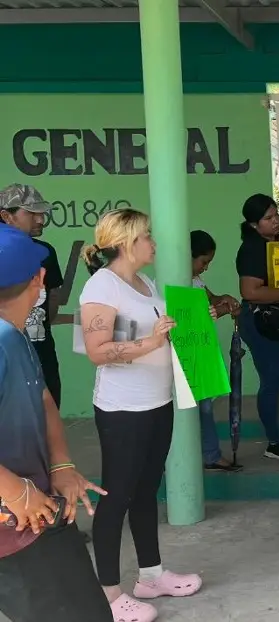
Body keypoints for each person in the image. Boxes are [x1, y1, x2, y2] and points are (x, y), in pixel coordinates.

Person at [79, 209, 203, 621]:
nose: (153, 242)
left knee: (147, 492)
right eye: (147, 236)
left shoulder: (144, 283)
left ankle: (150, 576)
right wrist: (151, 343)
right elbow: (98, 351)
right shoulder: (102, 286)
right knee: (117, 497)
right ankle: (110, 595)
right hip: (123, 410)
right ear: (128, 242)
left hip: (157, 402)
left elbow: (152, 333)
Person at [0, 224, 111, 622]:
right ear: (39, 278)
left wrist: (62, 463)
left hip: (37, 510)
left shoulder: (16, 336)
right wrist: (15, 492)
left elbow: (43, 398)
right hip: (15, 528)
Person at [235, 193, 279, 460]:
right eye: (268, 218)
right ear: (253, 224)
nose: (276, 221)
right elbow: (250, 292)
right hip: (260, 322)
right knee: (272, 378)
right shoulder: (251, 249)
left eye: (277, 215)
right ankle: (274, 442)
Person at [0, 184, 64, 408]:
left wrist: (36, 324)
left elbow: (52, 299)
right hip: (7, 355)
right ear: (7, 216)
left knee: (48, 411)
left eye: (42, 213)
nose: (40, 220)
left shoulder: (45, 252)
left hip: (41, 351)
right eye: (32, 213)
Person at [190, 230, 243, 473]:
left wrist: (226, 299)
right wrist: (220, 310)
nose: (206, 268)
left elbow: (211, 299)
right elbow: (196, 318)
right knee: (199, 409)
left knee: (205, 406)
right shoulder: (175, 281)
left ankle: (210, 454)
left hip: (199, 353)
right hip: (185, 356)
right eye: (203, 262)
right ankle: (206, 454)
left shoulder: (195, 280)